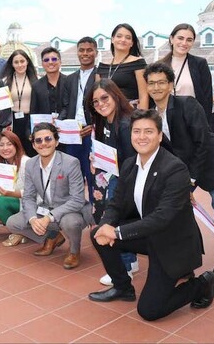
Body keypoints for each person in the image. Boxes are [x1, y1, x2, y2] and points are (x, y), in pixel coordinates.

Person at [88, 109, 214, 321]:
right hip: (147, 235)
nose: (141, 137)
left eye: (148, 131)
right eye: (136, 131)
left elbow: (162, 217)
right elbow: (116, 204)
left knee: (149, 311)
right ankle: (122, 287)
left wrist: (117, 232)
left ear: (160, 136)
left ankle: (201, 284)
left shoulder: (175, 168)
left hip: (171, 242)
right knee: (97, 235)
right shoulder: (129, 164)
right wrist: (105, 226)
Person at [144, 62, 214, 297]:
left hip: (213, 164)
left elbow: (202, 142)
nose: (156, 87)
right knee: (180, 214)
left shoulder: (187, 104)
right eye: (151, 83)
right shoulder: (152, 116)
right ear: (146, 86)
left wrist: (191, 181)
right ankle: (187, 263)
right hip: (184, 171)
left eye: (161, 82)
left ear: (170, 84)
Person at [6, 123, 93, 269]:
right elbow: (28, 197)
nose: (43, 144)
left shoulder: (70, 163)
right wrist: (33, 219)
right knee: (13, 223)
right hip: (45, 208)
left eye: (48, 139)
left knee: (69, 223)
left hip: (71, 211)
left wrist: (49, 217)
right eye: (38, 141)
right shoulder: (31, 164)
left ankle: (74, 251)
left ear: (56, 141)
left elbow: (77, 200)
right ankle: (52, 237)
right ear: (33, 145)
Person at [85, 79, 138, 285]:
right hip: (114, 176)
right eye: (95, 102)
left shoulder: (125, 124)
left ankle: (124, 268)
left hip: (124, 180)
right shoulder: (107, 121)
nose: (100, 104)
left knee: (115, 221)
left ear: (115, 95)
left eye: (104, 98)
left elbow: (130, 160)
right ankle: (130, 261)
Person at [59, 37, 97, 203]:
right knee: (73, 172)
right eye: (82, 50)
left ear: (96, 52)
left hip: (91, 132)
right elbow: (65, 106)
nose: (85, 53)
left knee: (92, 173)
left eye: (89, 50)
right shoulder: (70, 79)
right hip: (72, 134)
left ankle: (94, 210)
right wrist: (58, 123)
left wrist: (94, 126)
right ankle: (74, 208)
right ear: (77, 52)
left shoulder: (100, 76)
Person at [0, 130, 31, 246]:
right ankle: (23, 230)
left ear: (17, 145)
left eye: (9, 144)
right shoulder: (4, 163)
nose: (5, 148)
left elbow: (33, 193)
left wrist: (10, 193)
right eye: (1, 145)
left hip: (30, 202)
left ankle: (20, 231)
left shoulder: (26, 162)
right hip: (15, 200)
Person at [158, 23, 213, 120]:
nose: (184, 43)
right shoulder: (159, 65)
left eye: (189, 40)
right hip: (165, 118)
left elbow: (207, 98)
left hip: (193, 119)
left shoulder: (200, 64)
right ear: (171, 39)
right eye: (180, 38)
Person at [96, 23, 148, 110]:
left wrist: (142, 119)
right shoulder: (102, 66)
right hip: (106, 113)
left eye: (128, 38)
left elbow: (144, 95)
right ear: (112, 39)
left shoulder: (138, 63)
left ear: (132, 43)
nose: (123, 40)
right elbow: (97, 95)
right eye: (119, 36)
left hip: (130, 113)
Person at [1, 49, 38, 157]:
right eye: (16, 62)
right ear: (12, 64)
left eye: (22, 61)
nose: (19, 65)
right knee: (14, 153)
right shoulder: (4, 82)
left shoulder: (36, 80)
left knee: (31, 152)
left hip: (29, 121)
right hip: (12, 121)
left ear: (27, 62)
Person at [30, 46, 67, 118]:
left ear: (60, 62)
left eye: (54, 59)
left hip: (66, 126)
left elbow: (70, 106)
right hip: (45, 126)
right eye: (46, 60)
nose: (50, 62)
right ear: (42, 64)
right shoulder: (36, 86)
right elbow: (34, 112)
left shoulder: (69, 82)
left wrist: (59, 120)